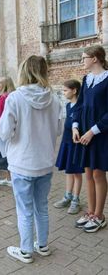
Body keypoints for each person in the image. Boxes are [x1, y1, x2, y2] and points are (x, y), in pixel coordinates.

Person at [0, 55, 62, 264]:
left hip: (22, 162)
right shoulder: (54, 98)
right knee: (41, 206)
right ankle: (42, 245)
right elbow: (59, 129)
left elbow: (5, 132)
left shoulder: (15, 98)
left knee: (24, 209)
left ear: (24, 71)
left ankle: (26, 250)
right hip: (44, 162)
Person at [72, 45, 108, 233]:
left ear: (95, 58)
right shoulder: (86, 80)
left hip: (100, 135)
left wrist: (93, 131)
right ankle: (91, 212)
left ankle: (100, 216)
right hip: (84, 135)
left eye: (84, 57)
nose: (82, 60)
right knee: (88, 174)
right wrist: (75, 126)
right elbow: (79, 106)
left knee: (98, 174)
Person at [54, 79, 84, 214]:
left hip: (75, 144)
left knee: (76, 172)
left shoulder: (81, 106)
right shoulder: (67, 105)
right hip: (66, 142)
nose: (63, 92)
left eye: (65, 90)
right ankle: (68, 196)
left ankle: (76, 200)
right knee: (69, 171)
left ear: (74, 91)